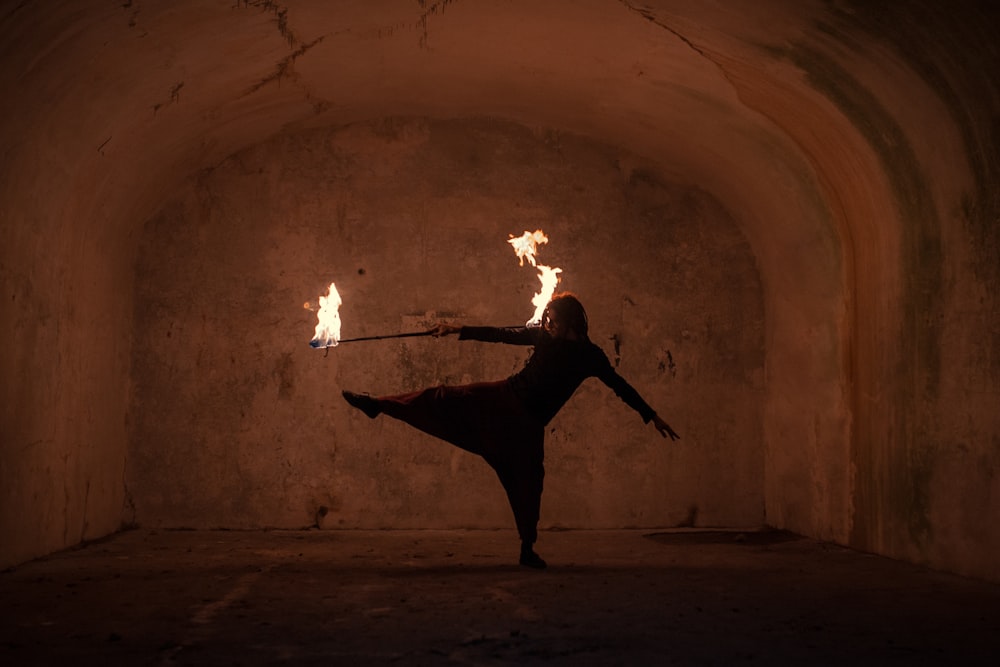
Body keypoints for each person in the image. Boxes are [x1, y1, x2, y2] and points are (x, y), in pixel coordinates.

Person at [342, 292, 679, 569]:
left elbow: (620, 386)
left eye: (553, 321)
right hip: (502, 398)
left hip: (529, 426)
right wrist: (457, 329)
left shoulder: (591, 357)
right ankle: (379, 405)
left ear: (571, 323)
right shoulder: (542, 336)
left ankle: (527, 549)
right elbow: (500, 335)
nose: (547, 325)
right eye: (547, 320)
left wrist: (652, 416)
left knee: (530, 484)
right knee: (442, 397)